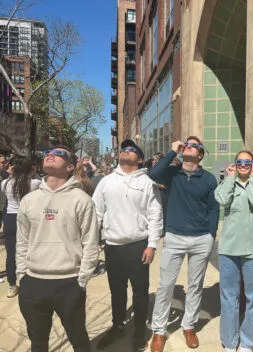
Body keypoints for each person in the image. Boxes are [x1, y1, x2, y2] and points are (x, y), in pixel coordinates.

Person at [16, 145, 99, 352]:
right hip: (33, 282)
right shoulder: (29, 200)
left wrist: (82, 279)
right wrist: (21, 276)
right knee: (38, 341)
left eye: (58, 153)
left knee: (78, 339)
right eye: (47, 153)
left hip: (69, 282)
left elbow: (91, 243)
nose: (50, 155)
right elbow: (22, 242)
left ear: (70, 167)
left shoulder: (82, 200)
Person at [149, 137, 220, 352]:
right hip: (175, 237)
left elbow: (213, 208)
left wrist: (210, 234)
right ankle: (159, 330)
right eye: (186, 144)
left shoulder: (208, 179)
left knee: (195, 285)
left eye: (194, 145)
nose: (188, 145)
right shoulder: (173, 173)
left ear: (200, 155)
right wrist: (173, 151)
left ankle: (189, 326)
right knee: (166, 285)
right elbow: (153, 174)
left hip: (200, 238)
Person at [92, 139, 163, 352]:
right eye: (124, 150)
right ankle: (117, 325)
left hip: (138, 245)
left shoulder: (148, 183)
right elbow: (96, 212)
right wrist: (93, 240)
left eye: (132, 150)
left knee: (140, 291)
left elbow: (155, 215)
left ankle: (139, 329)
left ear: (139, 159)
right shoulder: (106, 181)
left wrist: (151, 245)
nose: (126, 152)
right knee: (117, 290)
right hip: (113, 246)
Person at [215, 151, 253, 352]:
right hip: (229, 248)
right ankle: (230, 341)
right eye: (240, 162)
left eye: (248, 162)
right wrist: (229, 179)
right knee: (229, 296)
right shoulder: (228, 183)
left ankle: (249, 341)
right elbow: (221, 199)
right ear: (235, 164)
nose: (244, 165)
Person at [0, 156, 41, 298]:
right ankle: (29, 282)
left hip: (10, 219)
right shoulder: (35, 182)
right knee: (31, 251)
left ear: (13, 168)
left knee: (11, 253)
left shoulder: (5, 183)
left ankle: (12, 285)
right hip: (28, 218)